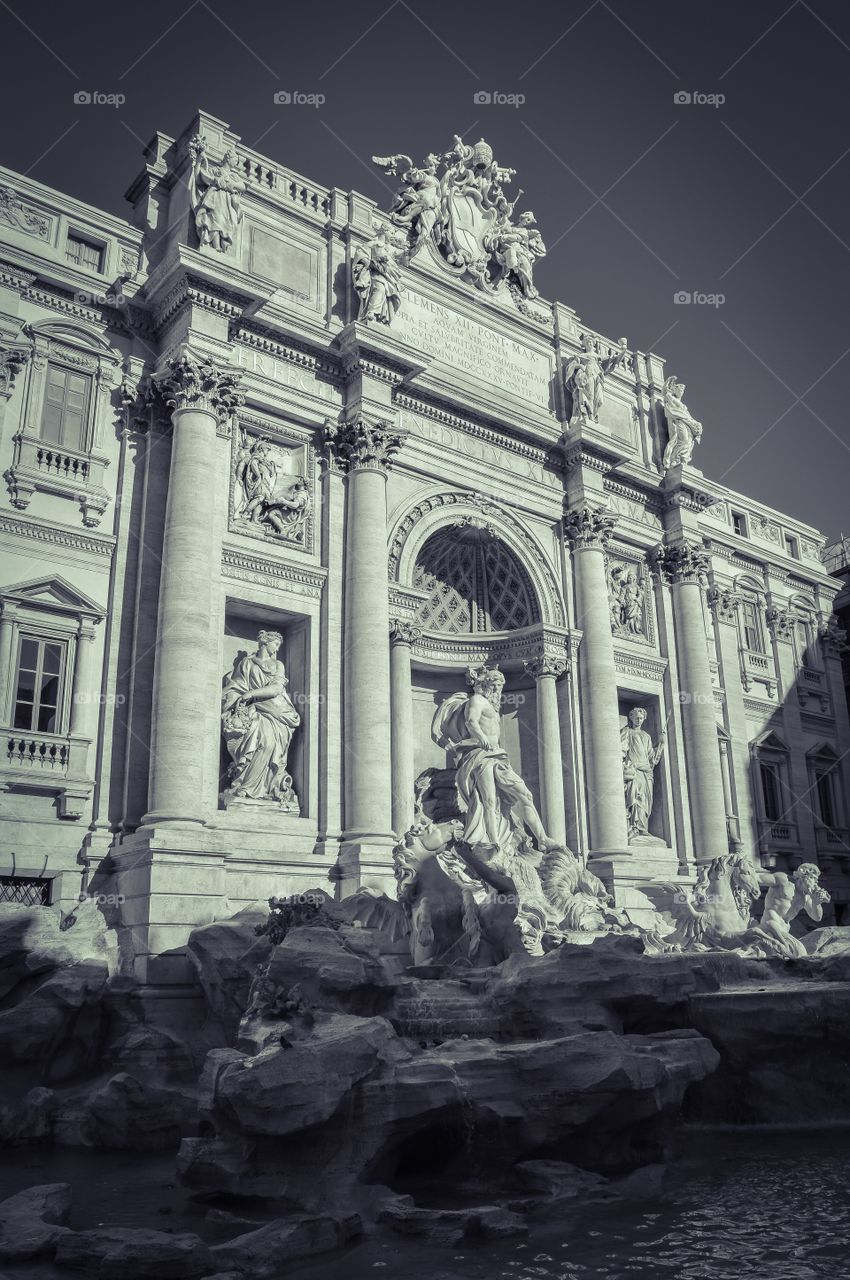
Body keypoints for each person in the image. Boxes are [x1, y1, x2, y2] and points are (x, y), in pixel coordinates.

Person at [221, 630, 300, 806]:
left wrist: (251, 693)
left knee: (270, 744)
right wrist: (236, 698)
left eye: (279, 645)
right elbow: (236, 685)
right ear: (265, 643)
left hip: (277, 710)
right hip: (254, 709)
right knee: (258, 741)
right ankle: (246, 787)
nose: (277, 648)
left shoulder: (278, 664)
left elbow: (277, 689)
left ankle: (262, 787)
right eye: (275, 644)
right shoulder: (246, 663)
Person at [621, 707, 664, 838]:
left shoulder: (646, 736)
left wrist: (661, 743)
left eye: (641, 718)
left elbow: (652, 758)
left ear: (644, 719)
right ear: (631, 717)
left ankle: (643, 827)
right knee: (635, 798)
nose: (638, 720)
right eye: (636, 717)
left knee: (645, 800)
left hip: (646, 771)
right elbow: (621, 749)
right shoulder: (627, 731)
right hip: (634, 770)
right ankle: (634, 827)